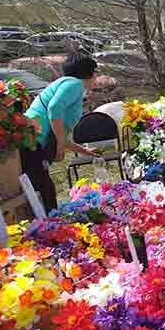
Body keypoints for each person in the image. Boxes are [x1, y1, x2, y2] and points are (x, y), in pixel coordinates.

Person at [22, 54, 100, 212]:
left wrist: (83, 150)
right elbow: (54, 108)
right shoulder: (74, 84)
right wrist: (59, 146)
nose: (97, 76)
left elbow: (59, 132)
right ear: (88, 73)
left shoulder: (69, 84)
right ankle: (50, 232)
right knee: (45, 196)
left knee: (44, 193)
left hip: (33, 143)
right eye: (95, 72)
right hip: (31, 143)